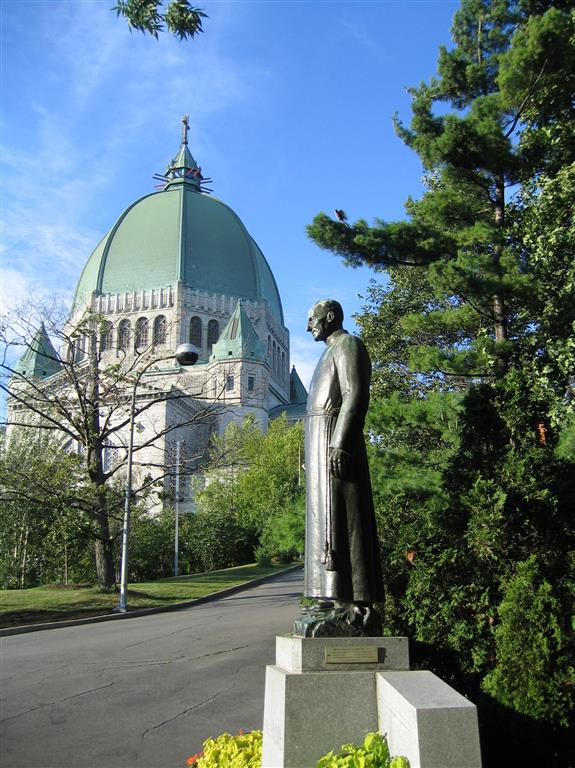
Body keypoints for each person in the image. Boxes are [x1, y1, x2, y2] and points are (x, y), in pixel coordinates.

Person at [304, 299, 383, 631]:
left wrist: (339, 442)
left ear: (330, 317)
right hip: (319, 446)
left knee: (343, 519)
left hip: (335, 444)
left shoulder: (348, 344)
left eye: (312, 319)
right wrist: (305, 456)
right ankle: (332, 597)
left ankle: (356, 601)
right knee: (323, 522)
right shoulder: (325, 354)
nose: (309, 326)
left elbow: (354, 393)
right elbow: (314, 410)